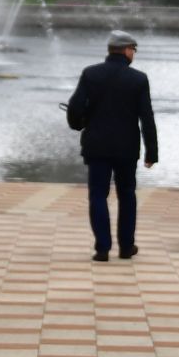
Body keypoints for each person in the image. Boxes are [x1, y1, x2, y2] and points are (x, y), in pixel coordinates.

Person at [66, 30, 159, 262]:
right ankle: (126, 247)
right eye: (133, 50)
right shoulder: (138, 79)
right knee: (127, 195)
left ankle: (102, 248)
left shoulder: (90, 74)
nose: (134, 54)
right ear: (127, 50)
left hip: (96, 146)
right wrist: (152, 152)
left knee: (98, 195)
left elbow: (75, 106)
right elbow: (146, 118)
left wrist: (78, 124)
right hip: (126, 149)